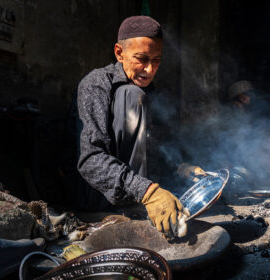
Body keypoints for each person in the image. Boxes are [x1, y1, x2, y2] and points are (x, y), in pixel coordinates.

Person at [76, 16, 191, 237]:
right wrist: (147, 192)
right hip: (95, 194)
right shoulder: (96, 84)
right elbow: (90, 161)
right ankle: (133, 206)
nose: (149, 69)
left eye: (157, 60)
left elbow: (154, 147)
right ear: (119, 53)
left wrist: (179, 167)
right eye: (141, 59)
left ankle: (140, 200)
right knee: (132, 94)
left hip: (134, 188)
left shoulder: (150, 90)